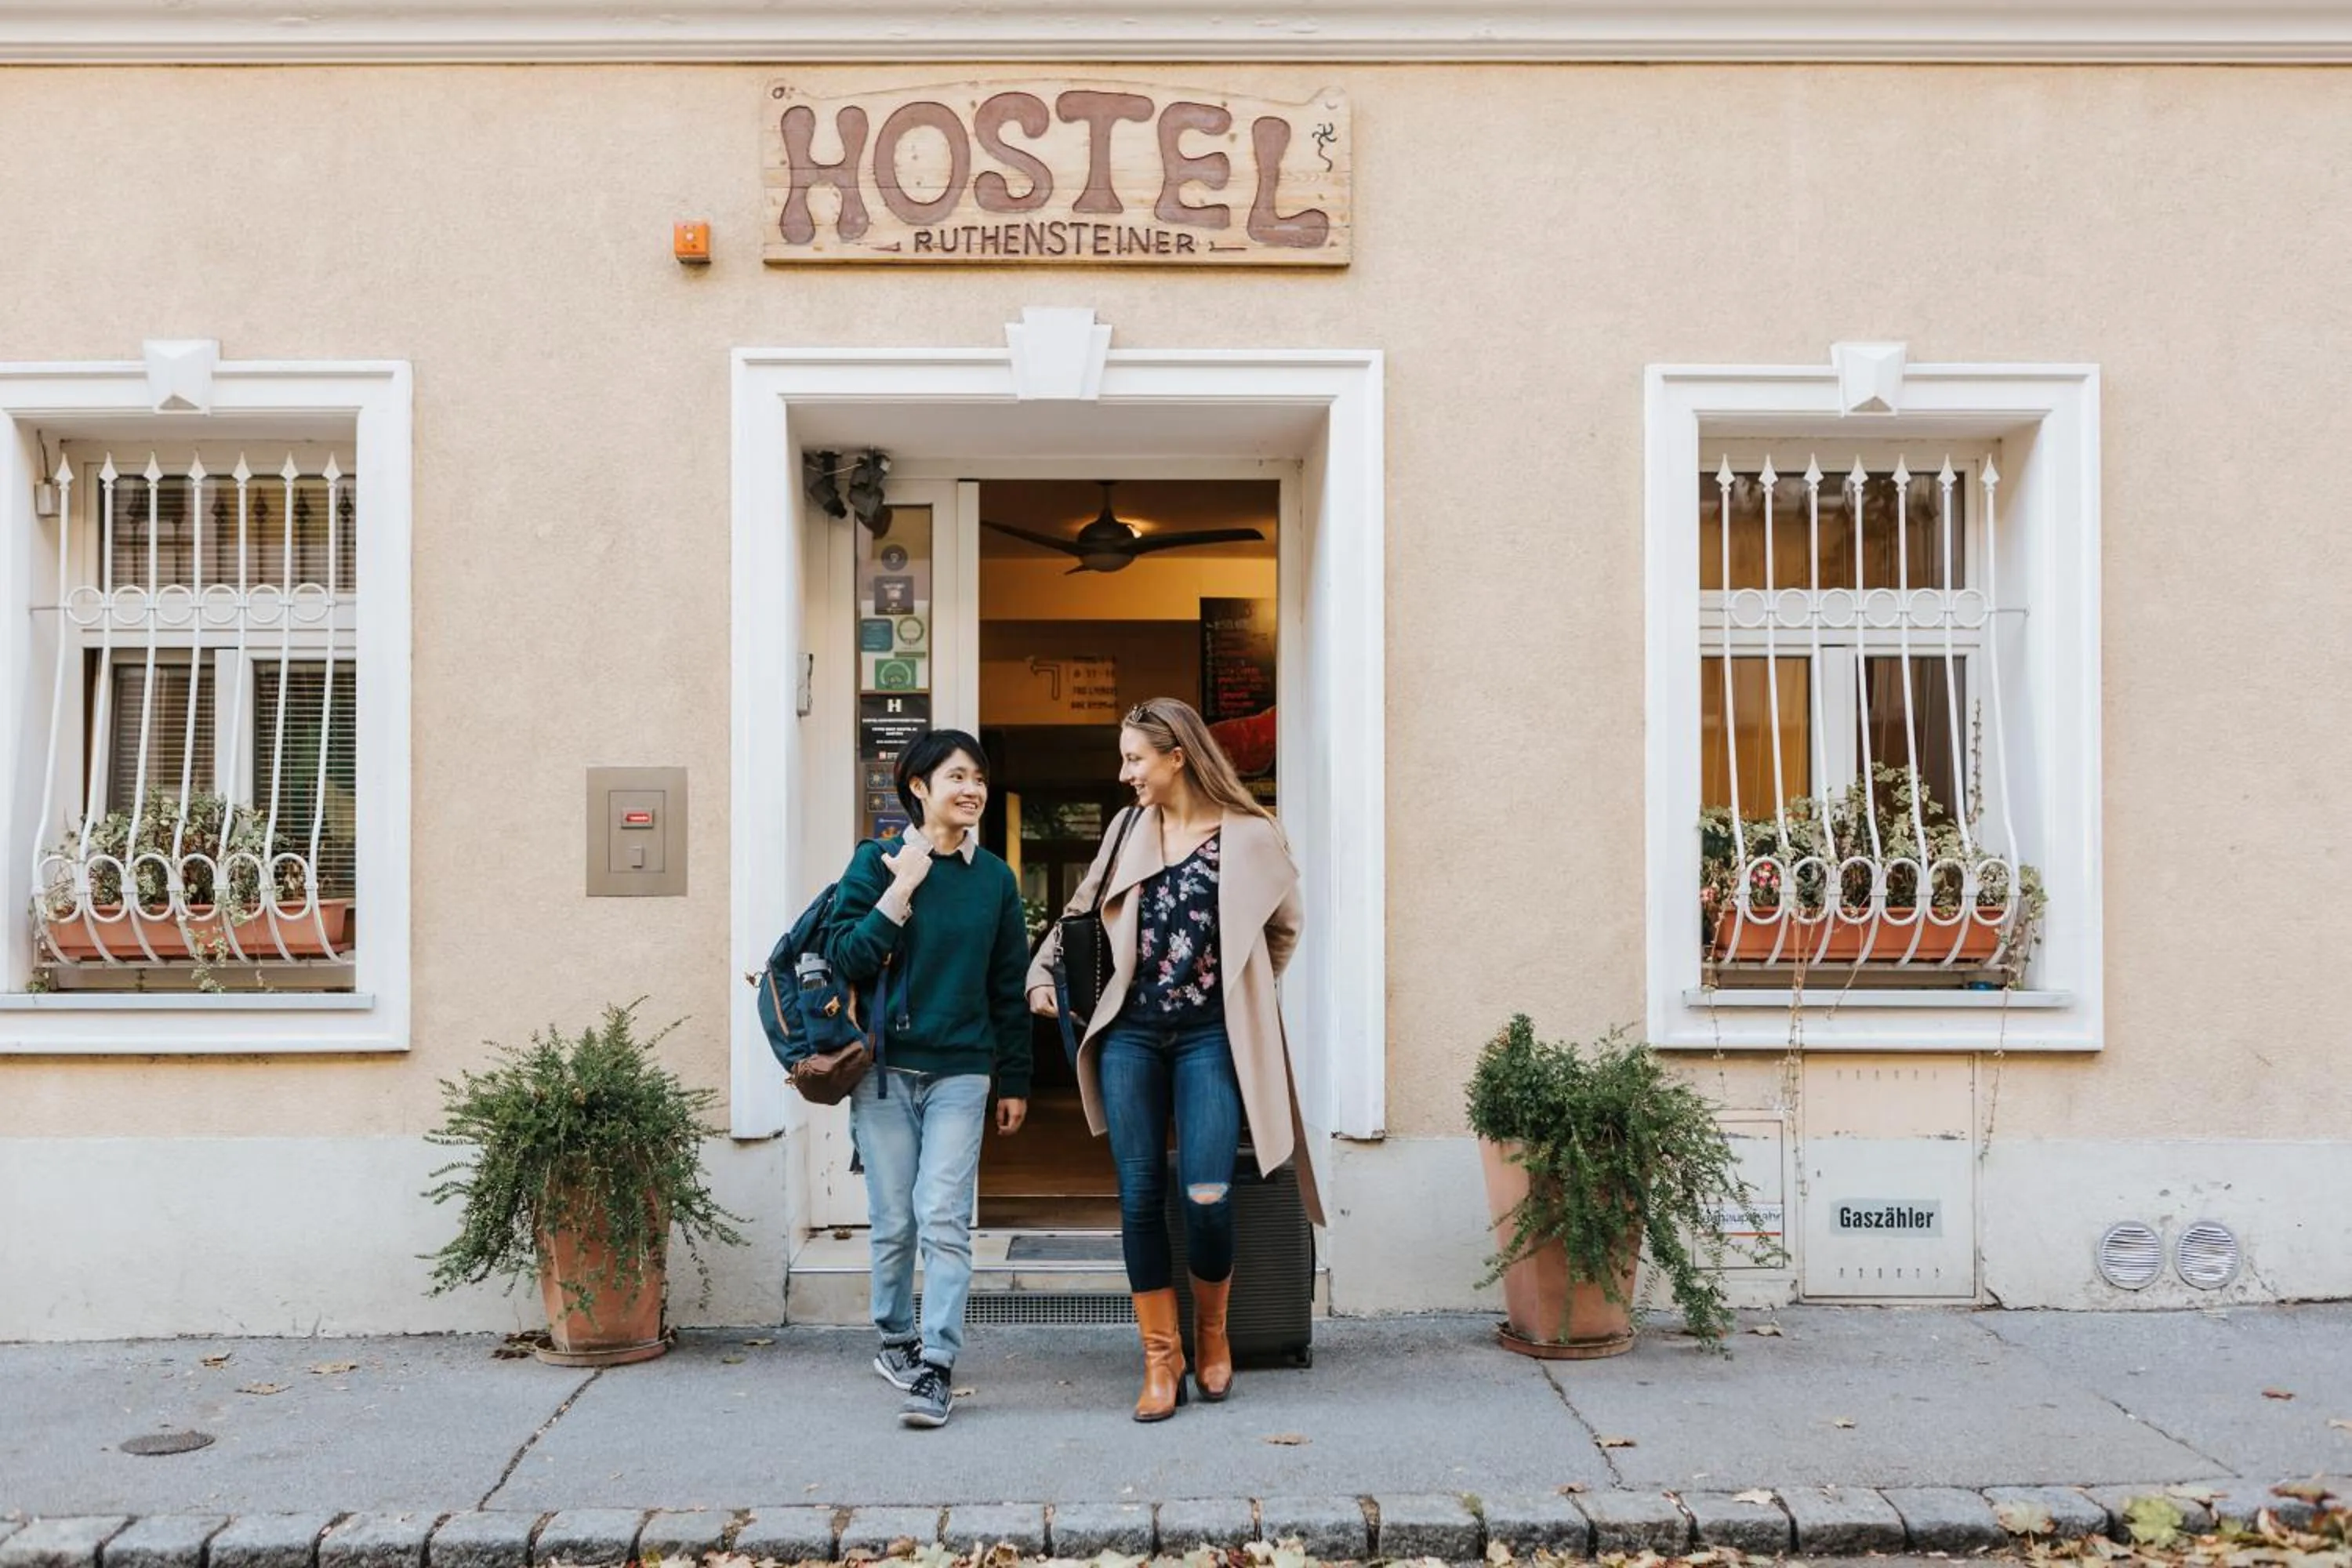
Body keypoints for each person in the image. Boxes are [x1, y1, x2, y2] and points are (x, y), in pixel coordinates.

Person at [1027, 697, 1316, 1421]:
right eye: (1124, 758)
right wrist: (1040, 974)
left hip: (1210, 1038)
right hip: (1129, 1032)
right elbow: (1080, 910)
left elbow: (1283, 929)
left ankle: (1211, 1333)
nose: (1125, 773)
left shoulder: (1251, 835)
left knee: (1209, 1194)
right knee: (1139, 1195)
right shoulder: (1128, 830)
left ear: (1176, 758)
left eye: (1135, 759)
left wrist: (1246, 991)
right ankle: (1162, 1359)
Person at [821, 728, 1031, 1428]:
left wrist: (1017, 1080)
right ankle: (894, 1338)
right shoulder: (875, 862)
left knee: (944, 1216)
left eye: (979, 777)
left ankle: (936, 1364)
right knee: (894, 1220)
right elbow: (846, 957)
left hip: (962, 1072)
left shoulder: (996, 880)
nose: (972, 790)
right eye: (957, 777)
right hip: (882, 1072)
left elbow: (1008, 988)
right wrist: (899, 892)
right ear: (919, 787)